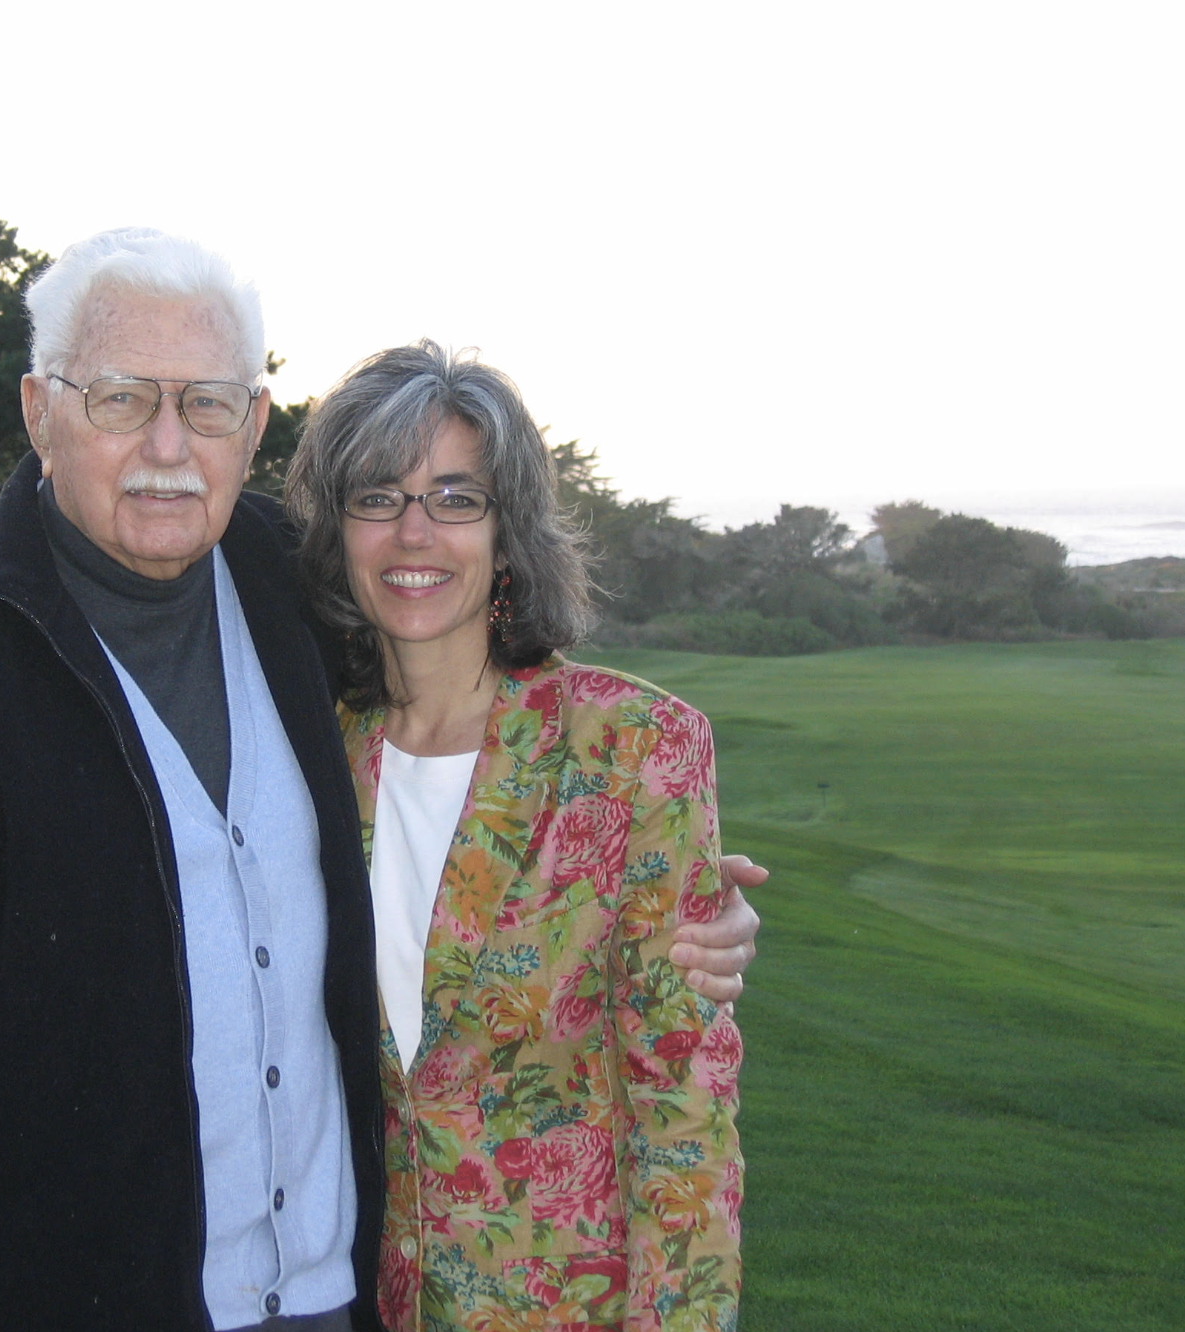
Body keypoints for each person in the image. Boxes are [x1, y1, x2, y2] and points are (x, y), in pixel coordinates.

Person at [0, 229, 759, 1332]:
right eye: (123, 398)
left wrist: (694, 912)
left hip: (344, 1298)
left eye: (209, 405)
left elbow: (475, 774)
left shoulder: (297, 602)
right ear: (41, 411)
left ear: (255, 426)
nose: (168, 446)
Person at [285, 341, 743, 1331]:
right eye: (377, 496)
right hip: (367, 1302)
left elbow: (685, 1112)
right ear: (338, 530)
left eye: (456, 498)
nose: (416, 534)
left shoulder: (632, 749)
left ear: (507, 533)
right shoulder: (309, 755)